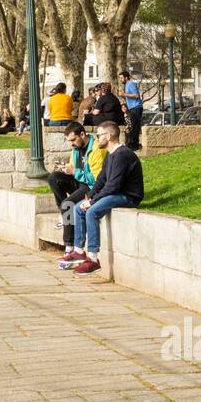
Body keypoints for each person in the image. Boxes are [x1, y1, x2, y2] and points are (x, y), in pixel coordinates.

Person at [64, 121, 142, 276]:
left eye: (99, 135)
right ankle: (79, 251)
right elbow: (101, 179)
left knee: (91, 212)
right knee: (78, 207)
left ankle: (93, 259)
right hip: (115, 193)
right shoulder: (111, 154)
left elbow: (113, 186)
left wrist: (92, 202)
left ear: (109, 136)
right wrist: (90, 196)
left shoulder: (123, 155)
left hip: (128, 196)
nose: (97, 138)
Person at [47, 122, 106, 263]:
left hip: (91, 187)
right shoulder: (75, 149)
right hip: (79, 182)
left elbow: (97, 178)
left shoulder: (97, 148)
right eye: (69, 141)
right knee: (53, 177)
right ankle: (64, 214)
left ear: (82, 134)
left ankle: (69, 247)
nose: (71, 144)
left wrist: (75, 172)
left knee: (67, 204)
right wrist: (66, 169)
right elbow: (74, 169)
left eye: (73, 140)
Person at [118, 70, 142, 150]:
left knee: (135, 126)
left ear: (126, 77)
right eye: (120, 78)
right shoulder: (127, 85)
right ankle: (133, 144)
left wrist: (124, 94)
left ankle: (134, 145)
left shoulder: (130, 83)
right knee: (133, 126)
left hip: (136, 107)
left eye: (121, 78)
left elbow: (136, 95)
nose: (120, 79)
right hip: (132, 108)